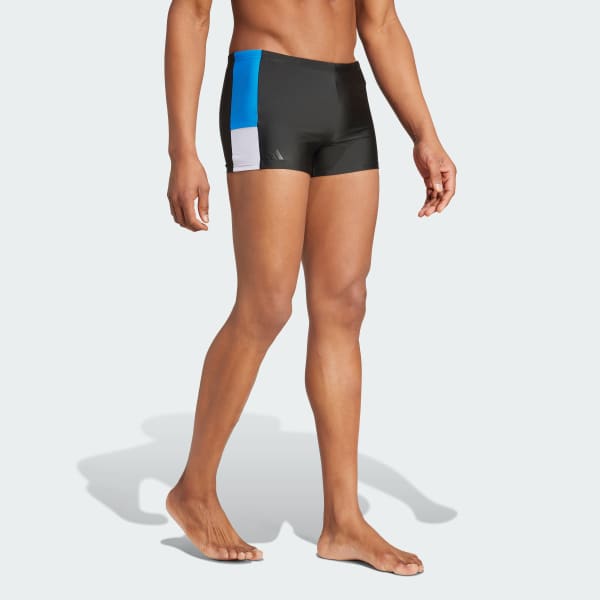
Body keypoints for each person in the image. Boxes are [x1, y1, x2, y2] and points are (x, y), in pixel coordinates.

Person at [164, 0, 456, 576]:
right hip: (264, 86)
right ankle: (194, 489)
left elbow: (380, 21)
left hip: (345, 97)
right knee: (266, 304)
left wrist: (425, 133)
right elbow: (191, 13)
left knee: (344, 303)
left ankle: (343, 521)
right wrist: (182, 150)